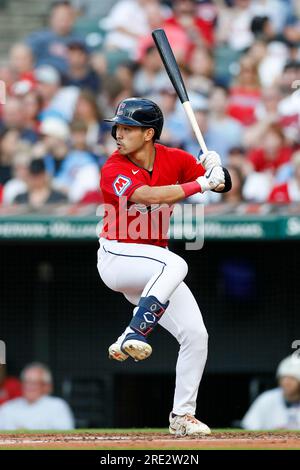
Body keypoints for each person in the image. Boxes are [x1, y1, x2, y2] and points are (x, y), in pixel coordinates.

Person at [97, 97, 231, 435]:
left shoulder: (174, 158)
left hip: (155, 271)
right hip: (118, 258)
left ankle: (182, 417)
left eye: (127, 128)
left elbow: (223, 186)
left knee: (196, 336)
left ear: (149, 133)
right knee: (176, 263)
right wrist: (202, 183)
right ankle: (134, 331)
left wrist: (217, 169)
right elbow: (149, 197)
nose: (119, 133)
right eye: (118, 127)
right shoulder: (113, 166)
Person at [0, 362, 74, 430]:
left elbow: (65, 438)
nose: (29, 386)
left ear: (46, 386)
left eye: (34, 383)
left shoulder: (58, 406)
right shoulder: (7, 408)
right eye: (26, 382)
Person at [242, 354, 300, 430]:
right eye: (283, 378)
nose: (286, 382)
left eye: (292, 379)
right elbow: (249, 427)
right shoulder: (267, 398)